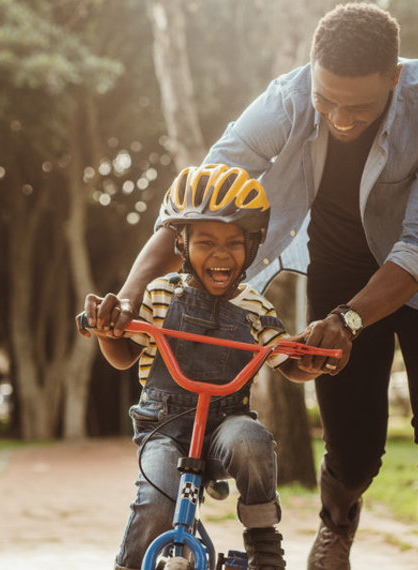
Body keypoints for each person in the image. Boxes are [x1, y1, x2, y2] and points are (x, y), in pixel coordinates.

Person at [104, 4, 418, 568]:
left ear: (395, 77)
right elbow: (198, 200)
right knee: (356, 450)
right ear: (312, 72)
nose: (338, 119)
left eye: (358, 107)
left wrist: (351, 321)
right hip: (341, 268)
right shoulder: (285, 99)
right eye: (326, 100)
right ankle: (338, 521)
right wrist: (132, 292)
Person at [83, 164, 318, 570]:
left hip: (225, 427)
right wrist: (107, 331)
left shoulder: (255, 308)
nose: (221, 254)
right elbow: (123, 355)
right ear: (182, 244)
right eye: (206, 241)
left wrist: (313, 361)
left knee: (252, 441)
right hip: (164, 429)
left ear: (254, 244)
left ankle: (263, 541)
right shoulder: (159, 295)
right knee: (157, 502)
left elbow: (287, 362)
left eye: (234, 242)